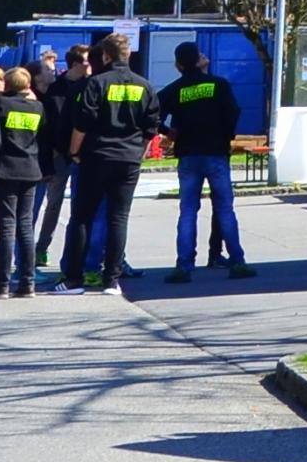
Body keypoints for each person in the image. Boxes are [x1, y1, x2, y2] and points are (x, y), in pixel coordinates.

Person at [64, 31, 153, 291]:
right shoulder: (144, 85)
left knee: (83, 216)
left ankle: (74, 279)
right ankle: (112, 280)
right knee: (118, 218)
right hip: (128, 158)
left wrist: (74, 151)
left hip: (97, 155)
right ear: (128, 54)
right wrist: (139, 154)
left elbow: (83, 122)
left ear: (105, 56)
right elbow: (151, 127)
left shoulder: (97, 83)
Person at [161, 41, 249, 281]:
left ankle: (184, 265)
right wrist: (226, 136)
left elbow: (151, 112)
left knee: (188, 211)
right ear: (197, 60)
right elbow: (233, 112)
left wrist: (168, 132)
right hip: (216, 152)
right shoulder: (218, 85)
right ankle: (237, 261)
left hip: (188, 154)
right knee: (225, 209)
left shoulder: (175, 89)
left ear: (178, 65)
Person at [0, 66, 49, 296]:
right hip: (31, 168)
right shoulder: (37, 107)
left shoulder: (1, 104)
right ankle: (27, 282)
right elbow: (43, 135)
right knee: (25, 226)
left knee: (6, 227)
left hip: (6, 169)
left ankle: (2, 283)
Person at [28, 46, 83, 286]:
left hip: (77, 155)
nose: (53, 71)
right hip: (56, 155)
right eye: (48, 70)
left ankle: (43, 248)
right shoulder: (53, 91)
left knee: (67, 207)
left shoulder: (87, 85)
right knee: (49, 203)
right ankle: (36, 251)